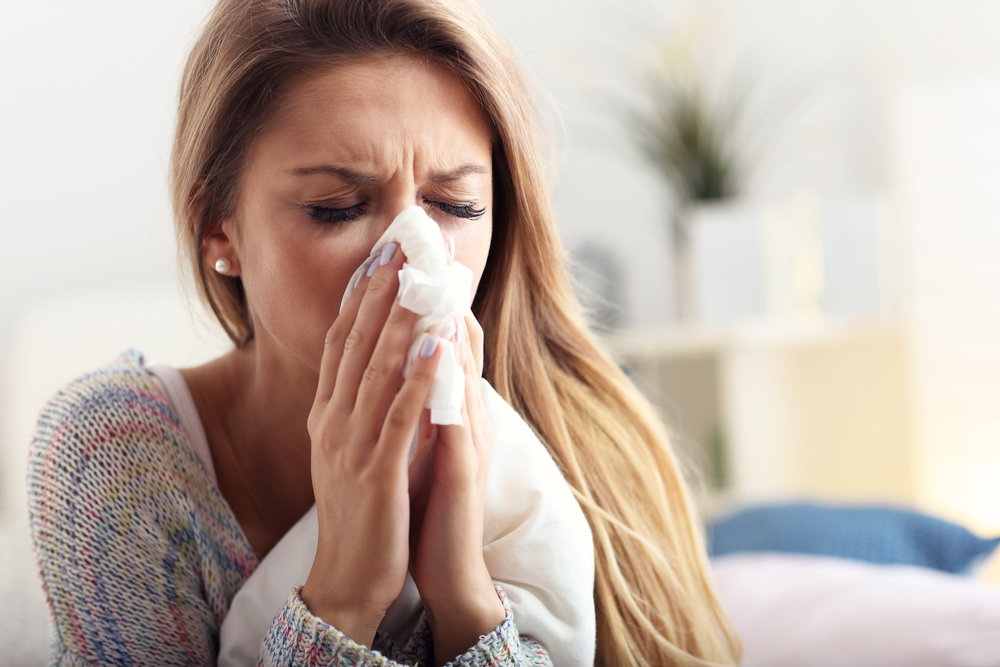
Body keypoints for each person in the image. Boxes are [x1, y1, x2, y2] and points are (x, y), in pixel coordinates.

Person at [26, 0, 742, 665]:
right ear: (221, 227)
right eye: (337, 207)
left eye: (455, 203)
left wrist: (464, 595)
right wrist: (343, 595)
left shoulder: (585, 457)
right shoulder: (119, 457)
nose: (409, 253)